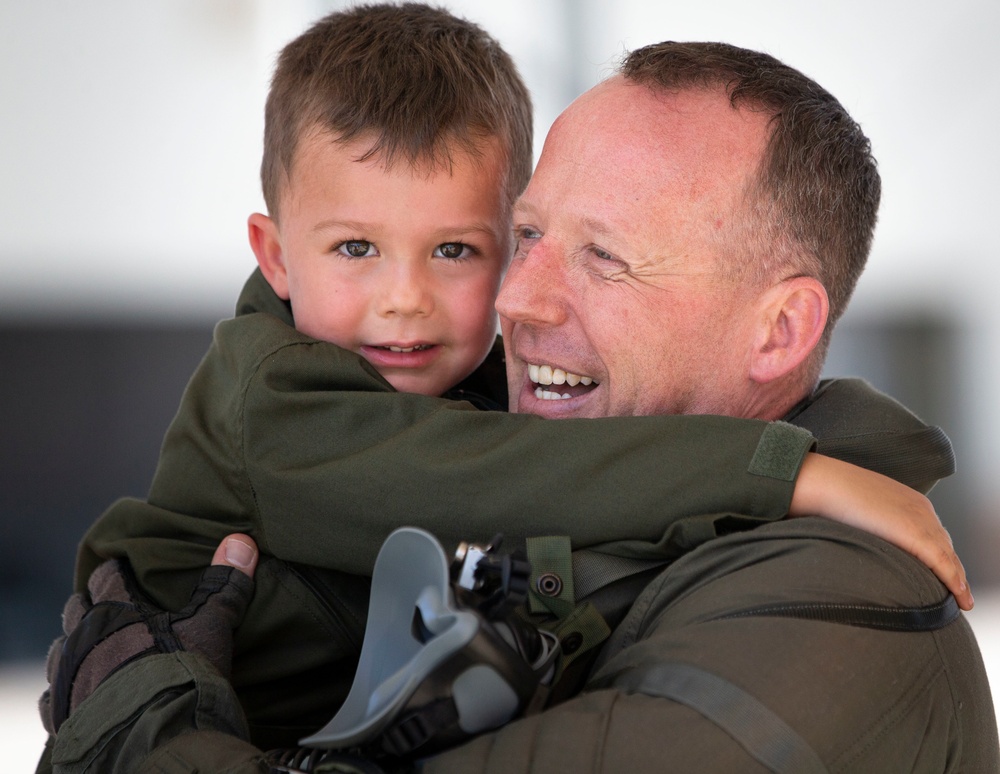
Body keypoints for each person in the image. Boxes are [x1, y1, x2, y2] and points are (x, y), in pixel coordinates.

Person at [37, 20, 994, 774]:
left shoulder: (835, 611)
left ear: (779, 330)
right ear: (276, 254)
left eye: (603, 257)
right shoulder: (293, 399)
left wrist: (148, 729)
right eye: (530, 236)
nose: (513, 298)